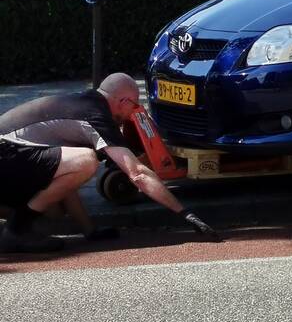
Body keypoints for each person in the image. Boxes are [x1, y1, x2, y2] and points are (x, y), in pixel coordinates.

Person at [0, 72, 221, 253]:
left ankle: (18, 222)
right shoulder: (96, 116)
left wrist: (90, 231)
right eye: (133, 106)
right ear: (123, 101)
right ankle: (16, 231)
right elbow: (138, 174)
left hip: (10, 160)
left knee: (56, 207)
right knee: (86, 161)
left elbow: (65, 182)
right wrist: (185, 213)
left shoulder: (83, 102)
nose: (130, 114)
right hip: (6, 157)